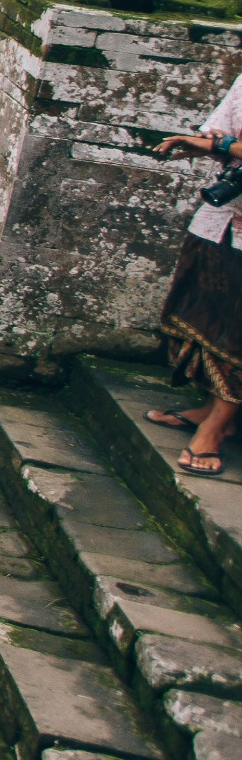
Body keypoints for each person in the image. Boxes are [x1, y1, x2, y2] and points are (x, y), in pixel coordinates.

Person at [149, 75, 242, 474]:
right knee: (204, 311)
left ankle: (218, 429)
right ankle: (211, 407)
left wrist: (217, 145)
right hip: (223, 217)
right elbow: (221, 132)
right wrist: (208, 144)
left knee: (239, 332)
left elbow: (221, 142)